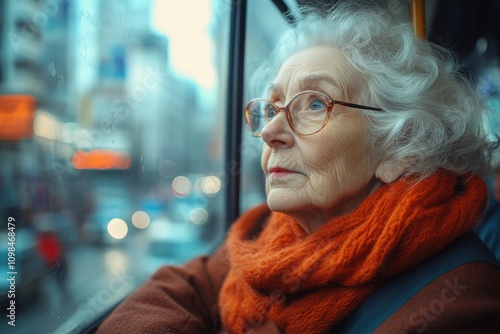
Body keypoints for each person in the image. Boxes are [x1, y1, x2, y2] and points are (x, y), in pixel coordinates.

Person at [97, 3, 500, 333]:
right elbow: (183, 284)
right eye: (271, 107)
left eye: (314, 103)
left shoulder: (460, 303)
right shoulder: (267, 232)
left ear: (402, 148)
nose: (271, 130)